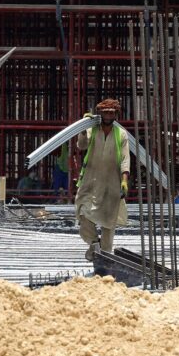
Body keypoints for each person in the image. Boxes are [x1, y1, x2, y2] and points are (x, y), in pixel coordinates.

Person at [75, 98, 130, 261]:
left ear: (116, 114)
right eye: (105, 112)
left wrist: (124, 180)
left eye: (111, 112)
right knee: (83, 213)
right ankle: (93, 243)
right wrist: (83, 129)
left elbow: (125, 159)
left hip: (111, 185)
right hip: (90, 182)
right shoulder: (93, 130)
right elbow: (82, 145)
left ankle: (105, 256)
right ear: (100, 114)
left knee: (108, 223)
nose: (108, 115)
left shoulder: (121, 134)